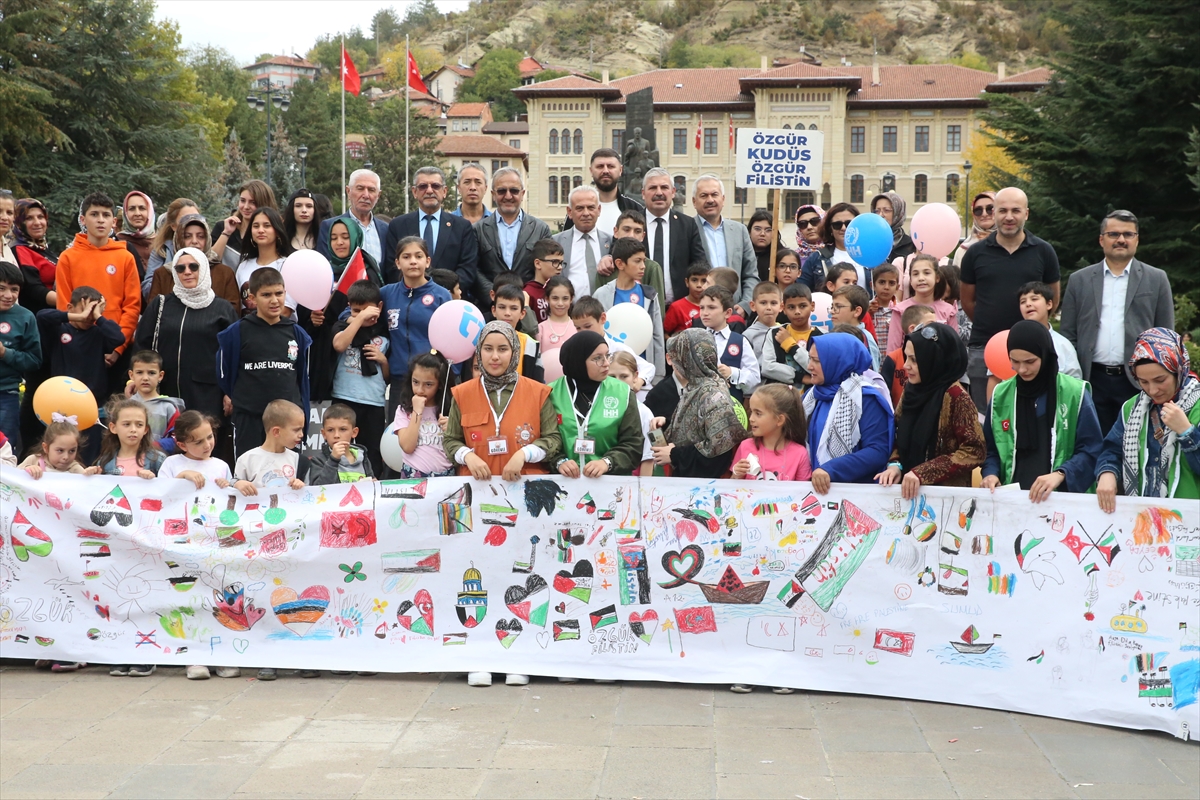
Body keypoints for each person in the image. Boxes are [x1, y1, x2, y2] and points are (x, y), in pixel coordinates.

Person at [1060, 209, 1175, 434]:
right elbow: (1068, 335)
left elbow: (1166, 336)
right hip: (1092, 380)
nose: (1121, 239)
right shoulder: (1079, 280)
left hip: (1138, 381)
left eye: (1128, 234)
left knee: (1136, 441)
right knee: (1094, 443)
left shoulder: (1156, 278)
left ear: (1137, 240)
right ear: (1101, 239)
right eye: (1113, 234)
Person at [961, 187, 1061, 412]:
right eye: (1002, 210)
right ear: (994, 213)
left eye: (1015, 210)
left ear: (1026, 213)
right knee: (985, 416)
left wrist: (1030, 330)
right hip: (984, 348)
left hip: (1032, 350)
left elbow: (1052, 298)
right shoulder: (975, 254)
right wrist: (990, 322)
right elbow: (967, 301)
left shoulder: (1044, 251)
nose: (1009, 217)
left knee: (1032, 413)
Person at [136, 247, 239, 462]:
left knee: (204, 450)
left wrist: (230, 391)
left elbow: (233, 354)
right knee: (163, 451)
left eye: (193, 266)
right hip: (165, 392)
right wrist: (134, 379)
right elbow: (142, 347)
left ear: (204, 269)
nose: (187, 272)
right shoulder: (161, 305)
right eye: (180, 268)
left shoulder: (221, 308)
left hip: (208, 395)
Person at [981, 320, 1102, 500]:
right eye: (1015, 362)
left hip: (1061, 498)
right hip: (1013, 499)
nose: (1022, 369)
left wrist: (1061, 474)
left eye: (1030, 361)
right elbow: (990, 450)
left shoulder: (1075, 393)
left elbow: (1092, 449)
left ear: (1045, 355)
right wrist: (990, 473)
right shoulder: (1001, 395)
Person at [444, 321, 561, 488]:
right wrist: (467, 456)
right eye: (488, 348)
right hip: (478, 489)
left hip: (525, 488)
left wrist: (525, 454)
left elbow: (553, 439)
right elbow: (450, 440)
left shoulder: (538, 393)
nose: (495, 356)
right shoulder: (462, 394)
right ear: (479, 351)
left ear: (514, 352)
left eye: (502, 349)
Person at [876, 322, 984, 498]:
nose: (906, 366)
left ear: (934, 360)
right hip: (907, 493)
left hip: (945, 498)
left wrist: (924, 473)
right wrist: (895, 464)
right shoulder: (911, 390)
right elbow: (896, 431)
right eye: (906, 357)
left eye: (914, 360)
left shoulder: (956, 397)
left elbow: (974, 450)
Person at [1096, 328, 1200, 510]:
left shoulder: (1197, 405)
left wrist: (1187, 432)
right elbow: (1112, 449)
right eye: (1143, 382)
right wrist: (1107, 472)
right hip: (1142, 516)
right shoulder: (1132, 408)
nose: (1152, 390)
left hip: (1188, 518)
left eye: (1160, 380)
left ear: (1179, 370)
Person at [216, 268, 312, 458]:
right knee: (250, 471)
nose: (274, 300)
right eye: (266, 295)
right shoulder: (236, 333)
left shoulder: (297, 334)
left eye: (279, 293)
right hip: (249, 418)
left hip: (287, 420)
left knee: (287, 472)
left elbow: (303, 377)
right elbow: (224, 374)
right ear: (252, 298)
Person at [55, 193, 141, 388]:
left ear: (114, 221)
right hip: (80, 345)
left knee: (115, 403)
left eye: (106, 215)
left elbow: (132, 305)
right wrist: (74, 342)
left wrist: (118, 348)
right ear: (83, 219)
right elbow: (64, 306)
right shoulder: (68, 258)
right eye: (94, 214)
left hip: (116, 345)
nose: (101, 220)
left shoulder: (125, 257)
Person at [38, 287, 124, 463]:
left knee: (89, 456)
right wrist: (78, 317)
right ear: (70, 308)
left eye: (95, 311)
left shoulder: (98, 333)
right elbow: (42, 316)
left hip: (91, 406)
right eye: (86, 310)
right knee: (61, 455)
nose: (89, 316)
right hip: (61, 404)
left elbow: (118, 338)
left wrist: (99, 318)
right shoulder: (59, 330)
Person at [803, 333, 894, 493]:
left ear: (838, 361)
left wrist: (831, 469)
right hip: (816, 491)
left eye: (817, 361)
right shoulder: (812, 397)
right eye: (810, 359)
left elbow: (877, 450)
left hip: (855, 493)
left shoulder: (865, 398)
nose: (809, 366)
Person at [651, 328, 747, 478]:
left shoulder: (714, 395)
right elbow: (697, 428)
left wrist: (674, 455)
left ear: (688, 361)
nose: (674, 364)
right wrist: (667, 422)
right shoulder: (697, 386)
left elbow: (719, 451)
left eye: (678, 358)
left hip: (706, 487)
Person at [548, 329, 643, 478]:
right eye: (598, 358)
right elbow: (543, 439)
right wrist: (558, 461)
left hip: (609, 483)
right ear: (578, 361)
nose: (606, 363)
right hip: (564, 483)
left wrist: (608, 462)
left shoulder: (622, 392)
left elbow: (633, 444)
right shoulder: (550, 393)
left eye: (607, 356)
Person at [384, 166, 478, 292]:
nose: (429, 191)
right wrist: (416, 290)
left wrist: (443, 291)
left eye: (435, 186)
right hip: (409, 296)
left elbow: (467, 268)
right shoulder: (397, 225)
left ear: (444, 191)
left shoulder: (462, 227)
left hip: (449, 297)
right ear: (414, 192)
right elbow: (392, 267)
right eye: (423, 186)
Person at [331, 280, 390, 474]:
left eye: (367, 310)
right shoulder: (343, 325)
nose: (362, 315)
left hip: (373, 401)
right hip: (344, 397)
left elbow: (388, 376)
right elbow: (339, 345)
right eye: (356, 310)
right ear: (349, 308)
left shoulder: (385, 332)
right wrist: (358, 319)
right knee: (340, 449)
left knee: (372, 453)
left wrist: (383, 360)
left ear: (379, 306)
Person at [592, 237, 665, 378]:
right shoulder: (601, 294)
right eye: (637, 261)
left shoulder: (649, 295)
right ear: (620, 264)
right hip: (610, 372)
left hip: (642, 373)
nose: (643, 266)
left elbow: (657, 337)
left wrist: (658, 376)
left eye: (644, 261)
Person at [475, 168, 551, 296]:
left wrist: (525, 297)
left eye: (514, 191)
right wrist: (495, 296)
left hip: (529, 304)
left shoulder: (540, 229)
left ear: (523, 193)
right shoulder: (478, 230)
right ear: (493, 194)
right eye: (502, 191)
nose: (508, 196)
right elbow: (474, 269)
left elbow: (547, 267)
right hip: (490, 304)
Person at [145, 214, 242, 309]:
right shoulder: (163, 274)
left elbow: (232, 312)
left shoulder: (224, 273)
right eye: (187, 236)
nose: (194, 241)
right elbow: (154, 311)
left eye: (201, 236)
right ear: (178, 240)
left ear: (207, 239)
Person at [642, 168, 708, 304]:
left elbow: (699, 264)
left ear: (673, 192)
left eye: (664, 187)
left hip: (678, 308)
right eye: (653, 188)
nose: (659, 193)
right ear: (643, 193)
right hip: (639, 305)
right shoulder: (631, 223)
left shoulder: (688, 225)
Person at [692, 175, 758, 306]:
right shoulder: (687, 229)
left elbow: (750, 275)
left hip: (735, 309)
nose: (710, 200)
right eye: (704, 195)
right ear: (694, 201)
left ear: (723, 199)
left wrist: (744, 306)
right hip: (699, 309)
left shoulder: (740, 230)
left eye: (714, 194)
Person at [570, 296, 655, 389]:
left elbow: (648, 368)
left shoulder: (617, 348)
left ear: (603, 318)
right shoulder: (577, 350)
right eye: (578, 328)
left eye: (588, 326)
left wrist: (639, 381)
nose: (583, 332)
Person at [731, 384, 811, 482]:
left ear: (779, 420)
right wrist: (736, 475)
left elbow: (803, 490)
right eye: (751, 412)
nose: (751, 418)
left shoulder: (800, 454)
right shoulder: (745, 446)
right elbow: (731, 487)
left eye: (758, 413)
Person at [0, 261, 41, 452]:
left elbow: (34, 360)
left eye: (14, 289)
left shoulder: (25, 317)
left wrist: (5, 353)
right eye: (1, 288)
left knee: (6, 449)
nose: (8, 295)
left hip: (6, 393)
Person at [394, 351, 454, 478]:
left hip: (446, 477)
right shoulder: (404, 410)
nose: (420, 390)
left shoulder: (451, 409)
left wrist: (453, 428)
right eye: (415, 382)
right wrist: (417, 411)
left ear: (440, 385)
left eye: (428, 384)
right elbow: (407, 446)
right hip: (413, 476)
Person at [562, 148, 646, 236]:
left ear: (620, 170)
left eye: (611, 166)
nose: (605, 171)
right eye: (600, 166)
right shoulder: (577, 212)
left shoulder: (635, 209)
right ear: (591, 171)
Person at [698, 286, 759, 401]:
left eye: (711, 307)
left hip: (731, 404)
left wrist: (732, 373)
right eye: (702, 308)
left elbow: (755, 378)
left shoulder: (740, 341)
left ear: (727, 313)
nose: (705, 313)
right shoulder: (694, 339)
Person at [886, 254, 956, 353]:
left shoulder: (948, 311)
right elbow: (893, 349)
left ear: (937, 277)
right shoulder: (900, 310)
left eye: (926, 273)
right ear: (910, 280)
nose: (921, 278)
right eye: (915, 274)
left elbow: (955, 347)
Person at [552, 185, 613, 298]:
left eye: (591, 207)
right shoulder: (555, 242)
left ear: (599, 210)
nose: (586, 213)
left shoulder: (611, 243)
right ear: (569, 212)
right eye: (580, 208)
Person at [317, 169, 386, 266]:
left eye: (371, 190)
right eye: (360, 188)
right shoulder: (329, 226)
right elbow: (325, 266)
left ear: (378, 195)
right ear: (348, 191)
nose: (366, 195)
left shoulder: (386, 229)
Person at [90, 397, 165, 481]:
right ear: (113, 428)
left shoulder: (157, 460)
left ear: (145, 429)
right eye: (126, 424)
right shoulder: (105, 462)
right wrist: (91, 477)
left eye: (139, 425)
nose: (133, 429)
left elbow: (169, 486)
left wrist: (153, 480)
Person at [234, 207, 293, 314]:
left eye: (267, 225)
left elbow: (286, 311)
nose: (260, 230)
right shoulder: (244, 265)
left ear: (277, 231)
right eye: (256, 226)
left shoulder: (288, 265)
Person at [1018, 281, 1082, 379]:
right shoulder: (1012, 340)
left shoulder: (1063, 345)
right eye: (1023, 301)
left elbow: (1075, 381)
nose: (1028, 304)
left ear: (1049, 304)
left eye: (1034, 299)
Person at [125, 350, 183, 454]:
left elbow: (177, 437)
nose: (145, 378)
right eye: (139, 372)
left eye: (151, 373)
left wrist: (155, 446)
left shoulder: (169, 407)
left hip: (160, 458)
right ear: (131, 375)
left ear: (160, 376)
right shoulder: (125, 407)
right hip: (130, 458)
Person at [799, 202, 863, 294]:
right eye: (837, 224)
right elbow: (802, 292)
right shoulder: (816, 258)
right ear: (830, 229)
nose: (843, 228)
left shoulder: (871, 255)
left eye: (849, 223)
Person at [609, 350, 656, 475]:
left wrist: (644, 487)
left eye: (624, 376)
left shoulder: (645, 413)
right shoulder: (597, 407)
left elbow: (648, 458)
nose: (618, 382)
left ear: (635, 377)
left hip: (631, 481)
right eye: (612, 377)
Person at [881, 305, 937, 407]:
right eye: (930, 325)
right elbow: (884, 395)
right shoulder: (893, 359)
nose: (935, 329)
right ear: (913, 329)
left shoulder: (936, 356)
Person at [306, 403, 375, 484]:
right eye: (330, 430)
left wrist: (374, 484)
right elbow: (319, 488)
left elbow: (371, 483)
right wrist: (333, 460)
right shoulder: (318, 460)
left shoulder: (363, 457)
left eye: (343, 429)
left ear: (354, 432)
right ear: (324, 434)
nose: (336, 435)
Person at [744, 282, 794, 391]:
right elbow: (747, 367)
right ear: (753, 306)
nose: (768, 308)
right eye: (763, 303)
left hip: (786, 388)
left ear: (781, 306)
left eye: (773, 303)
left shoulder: (785, 331)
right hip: (759, 390)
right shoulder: (748, 335)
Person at [217, 180, 277, 268]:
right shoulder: (223, 227)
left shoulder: (270, 233)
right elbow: (210, 260)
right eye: (242, 200)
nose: (246, 207)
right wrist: (226, 233)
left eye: (253, 202)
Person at [491, 284, 542, 381]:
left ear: (522, 313)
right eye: (502, 307)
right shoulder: (481, 340)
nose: (507, 313)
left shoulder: (530, 344)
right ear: (494, 310)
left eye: (513, 308)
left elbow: (538, 381)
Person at [145, 198, 201, 286]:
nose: (192, 223)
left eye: (196, 218)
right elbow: (148, 287)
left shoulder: (207, 249)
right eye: (185, 219)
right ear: (173, 226)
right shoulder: (162, 251)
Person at [775, 283, 821, 386]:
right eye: (791, 307)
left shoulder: (822, 336)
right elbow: (767, 367)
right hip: (781, 394)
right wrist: (800, 377)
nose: (797, 312)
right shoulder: (776, 333)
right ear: (783, 308)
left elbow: (820, 369)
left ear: (812, 306)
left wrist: (791, 345)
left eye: (802, 306)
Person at [831, 285, 881, 370]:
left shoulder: (865, 339)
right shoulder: (832, 335)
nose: (832, 311)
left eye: (838, 306)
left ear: (857, 311)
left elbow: (872, 372)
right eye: (832, 307)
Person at [19, 420, 87, 479]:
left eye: (72, 451)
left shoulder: (75, 468)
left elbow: (88, 484)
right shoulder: (33, 460)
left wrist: (90, 474)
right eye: (60, 450)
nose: (66, 457)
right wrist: (27, 469)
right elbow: (15, 476)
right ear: (46, 448)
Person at [663, 262, 710, 335]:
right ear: (687, 282)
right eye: (694, 280)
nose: (699, 285)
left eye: (704, 281)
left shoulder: (716, 306)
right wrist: (676, 341)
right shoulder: (676, 307)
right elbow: (664, 333)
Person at [952, 191, 996, 267]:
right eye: (978, 210)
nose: (984, 214)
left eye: (990, 209)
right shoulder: (963, 250)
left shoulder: (1011, 243)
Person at [525, 238, 564, 323]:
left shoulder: (561, 290)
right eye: (555, 262)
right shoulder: (528, 293)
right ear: (538, 263)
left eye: (561, 263)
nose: (560, 267)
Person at [870, 192, 916, 262]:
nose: (881, 215)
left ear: (898, 212)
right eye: (877, 211)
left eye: (886, 210)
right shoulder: (868, 241)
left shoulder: (911, 245)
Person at [537, 275, 577, 351]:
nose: (560, 303)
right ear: (547, 298)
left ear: (571, 299)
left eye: (565, 298)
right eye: (555, 298)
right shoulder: (541, 329)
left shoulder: (578, 327)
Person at [117, 191, 156, 266]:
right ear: (125, 213)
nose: (137, 213)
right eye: (132, 209)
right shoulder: (118, 242)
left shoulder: (161, 243)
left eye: (142, 208)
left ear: (150, 212)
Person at [14, 197, 58, 263]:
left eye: (40, 217)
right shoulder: (20, 250)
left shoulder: (41, 247)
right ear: (18, 223)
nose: (37, 223)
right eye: (29, 218)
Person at [869, 263, 900, 352]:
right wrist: (866, 314)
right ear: (872, 285)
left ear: (897, 287)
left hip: (893, 359)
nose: (886, 287)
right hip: (873, 359)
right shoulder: (866, 309)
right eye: (882, 282)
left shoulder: (901, 311)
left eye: (891, 283)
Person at [747, 210, 782, 283]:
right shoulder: (741, 255)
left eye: (768, 230)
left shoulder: (782, 257)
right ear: (749, 231)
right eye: (757, 229)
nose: (762, 234)